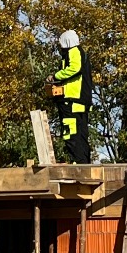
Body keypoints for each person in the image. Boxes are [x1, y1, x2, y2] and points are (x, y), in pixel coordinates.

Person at [46, 29, 91, 163]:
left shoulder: (74, 51)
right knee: (81, 134)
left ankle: (78, 164)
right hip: (80, 101)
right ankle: (84, 164)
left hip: (71, 101)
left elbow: (74, 68)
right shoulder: (81, 53)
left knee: (71, 134)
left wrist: (56, 76)